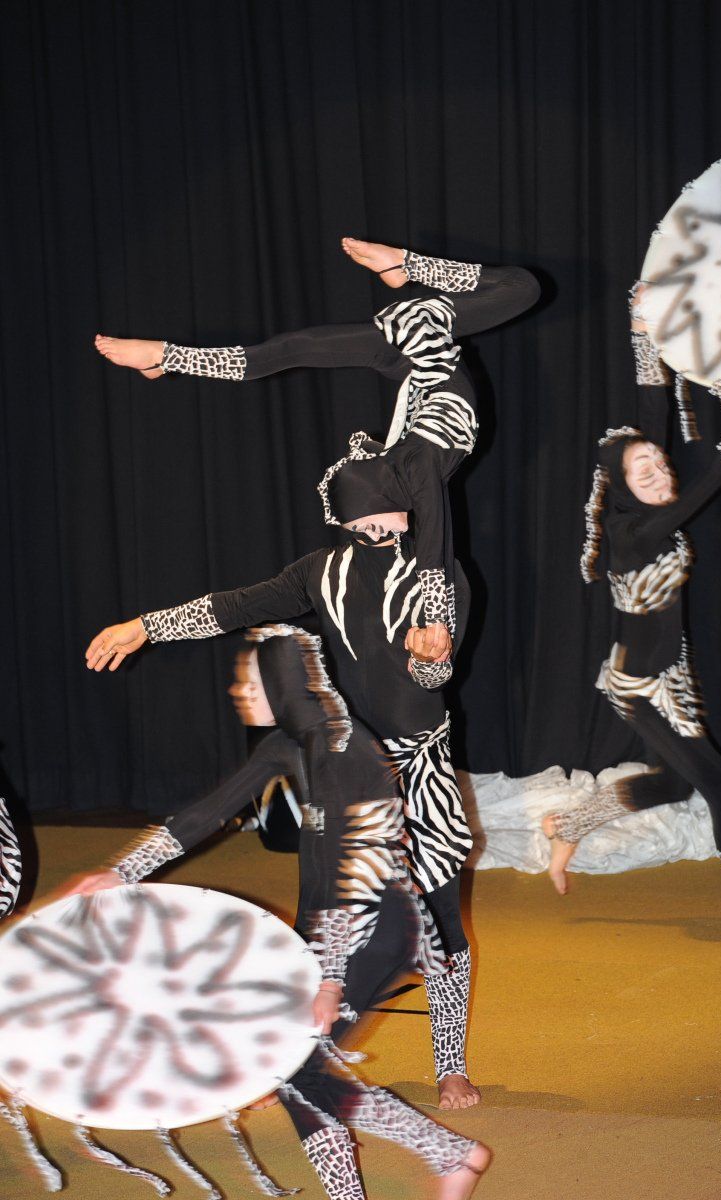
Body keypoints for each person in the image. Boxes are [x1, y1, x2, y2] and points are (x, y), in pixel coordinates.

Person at [67, 625, 490, 1200]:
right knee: (293, 1069)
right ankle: (421, 1165)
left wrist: (330, 979)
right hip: (325, 929)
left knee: (296, 1069)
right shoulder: (290, 744)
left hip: (376, 928)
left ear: (283, 683)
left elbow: (351, 872)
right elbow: (207, 813)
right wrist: (121, 871)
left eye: (251, 681)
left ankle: (449, 1154)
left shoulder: (346, 754)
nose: (238, 691)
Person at [85, 505, 480, 1108]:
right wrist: (147, 626)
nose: (375, 520)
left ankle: (447, 1064)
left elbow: (433, 681)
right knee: (318, 916)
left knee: (440, 924)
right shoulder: (320, 572)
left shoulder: (436, 572)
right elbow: (237, 605)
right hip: (339, 760)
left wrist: (433, 659)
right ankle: (290, 1059)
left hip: (419, 774)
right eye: (361, 507)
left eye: (388, 503)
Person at [94, 239, 540, 655]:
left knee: (295, 346)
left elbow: (433, 547)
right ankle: (402, 266)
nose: (377, 536)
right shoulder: (408, 476)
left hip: (420, 363)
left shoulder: (407, 472)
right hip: (426, 366)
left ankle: (167, 356)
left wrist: (436, 619)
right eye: (367, 530)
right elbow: (431, 544)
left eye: (367, 526)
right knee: (520, 287)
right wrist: (435, 626)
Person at [541, 311, 721, 941]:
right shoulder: (632, 531)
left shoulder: (644, 502)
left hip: (667, 674)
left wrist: (641, 329)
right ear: (622, 487)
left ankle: (569, 826)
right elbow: (708, 485)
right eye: (644, 471)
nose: (660, 472)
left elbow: (652, 408)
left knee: (672, 785)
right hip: (639, 687)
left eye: (659, 462)